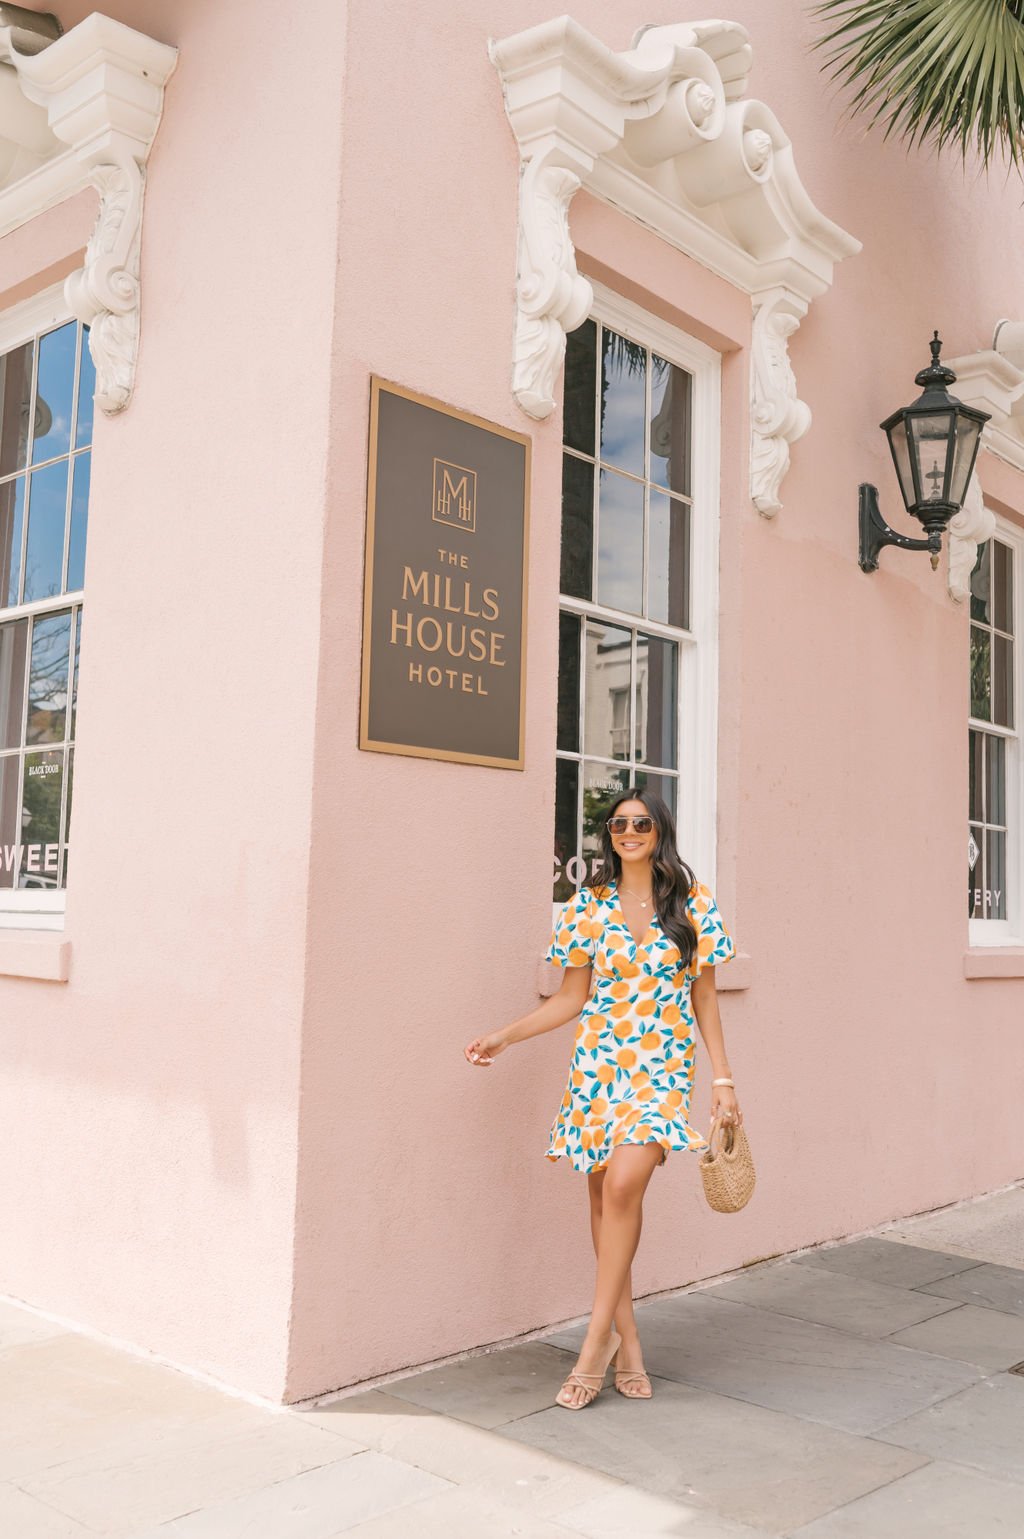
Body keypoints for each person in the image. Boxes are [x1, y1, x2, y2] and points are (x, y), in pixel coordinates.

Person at [464, 786, 741, 1410]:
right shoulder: (586, 906)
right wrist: (506, 1036)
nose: (629, 831)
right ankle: (630, 1342)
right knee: (600, 1195)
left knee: (621, 1186)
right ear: (609, 835)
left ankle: (593, 1345)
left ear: (660, 829)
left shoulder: (693, 902)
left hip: (662, 1067)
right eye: (618, 823)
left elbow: (705, 998)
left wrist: (723, 1080)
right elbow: (569, 998)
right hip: (598, 1066)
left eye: (641, 822)